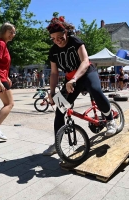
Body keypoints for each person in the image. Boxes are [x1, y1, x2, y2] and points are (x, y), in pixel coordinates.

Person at [43, 16, 118, 156]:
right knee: (60, 109)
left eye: (60, 36)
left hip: (86, 73)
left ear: (66, 33)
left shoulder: (75, 41)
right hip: (70, 79)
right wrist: (52, 92)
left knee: (96, 91)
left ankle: (110, 120)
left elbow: (85, 61)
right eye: (53, 38)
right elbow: (54, 73)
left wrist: (74, 79)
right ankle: (57, 143)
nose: (57, 40)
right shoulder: (53, 51)